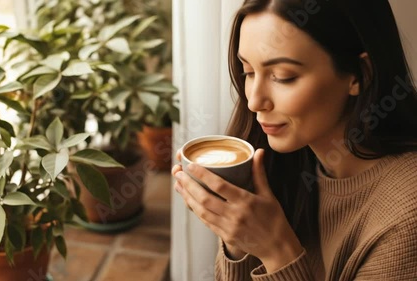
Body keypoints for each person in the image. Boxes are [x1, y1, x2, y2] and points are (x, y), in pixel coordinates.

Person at [171, 0, 417, 280]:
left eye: (282, 77)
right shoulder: (287, 160)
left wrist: (277, 251)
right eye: (248, 72)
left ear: (360, 74)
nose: (254, 101)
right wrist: (239, 239)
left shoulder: (407, 217)